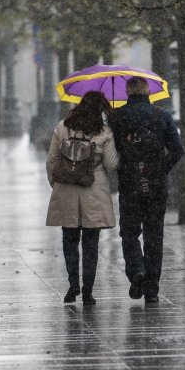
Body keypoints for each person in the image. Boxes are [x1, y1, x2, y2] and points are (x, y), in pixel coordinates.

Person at [110, 76, 184, 304]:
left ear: (127, 92)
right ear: (148, 91)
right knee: (154, 235)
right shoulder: (161, 115)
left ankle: (136, 270)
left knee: (129, 233)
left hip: (130, 184)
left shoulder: (116, 117)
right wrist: (161, 168)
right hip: (156, 185)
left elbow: (110, 153)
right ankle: (151, 289)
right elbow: (177, 150)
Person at [45, 91, 120, 306]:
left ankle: (72, 284)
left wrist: (56, 184)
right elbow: (112, 164)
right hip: (93, 191)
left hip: (66, 188)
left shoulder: (62, 127)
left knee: (69, 239)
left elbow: (51, 160)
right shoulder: (104, 132)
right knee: (90, 242)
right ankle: (88, 292)